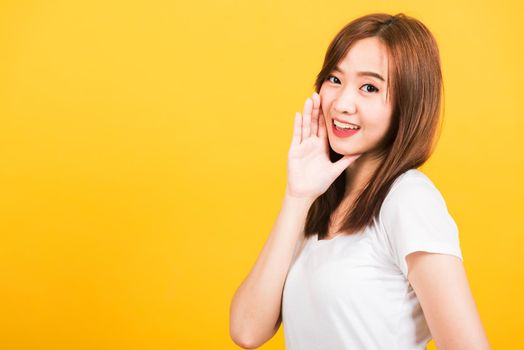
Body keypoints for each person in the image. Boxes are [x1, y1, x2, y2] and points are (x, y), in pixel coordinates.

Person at [230, 12, 490, 349]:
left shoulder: (408, 198)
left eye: (369, 87)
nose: (342, 103)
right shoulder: (319, 203)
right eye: (335, 80)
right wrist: (297, 197)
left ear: (407, 105)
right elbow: (246, 331)